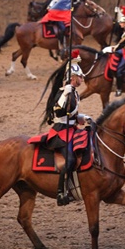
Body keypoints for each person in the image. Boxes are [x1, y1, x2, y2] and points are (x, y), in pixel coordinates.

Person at [39, 50, 90, 206]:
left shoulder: (74, 93)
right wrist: (65, 95)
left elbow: (72, 114)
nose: (82, 79)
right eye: (80, 77)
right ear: (73, 78)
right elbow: (58, 110)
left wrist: (81, 117)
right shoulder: (65, 92)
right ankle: (61, 192)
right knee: (69, 160)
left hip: (71, 128)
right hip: (60, 131)